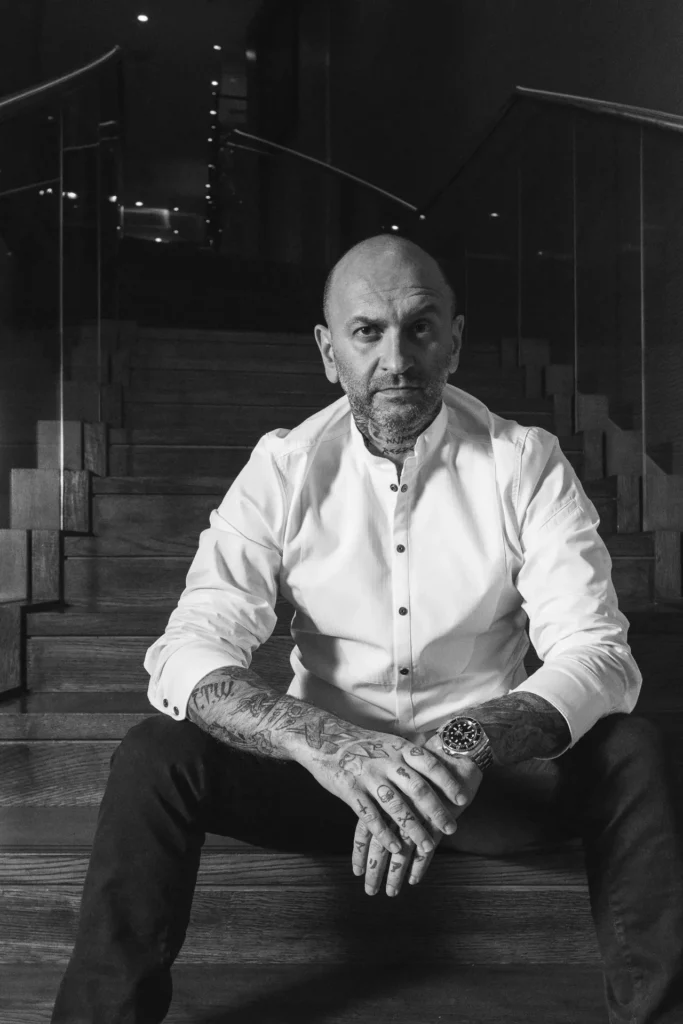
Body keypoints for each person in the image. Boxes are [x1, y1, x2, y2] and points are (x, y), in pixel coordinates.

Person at [51, 235, 683, 1023]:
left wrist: (461, 744)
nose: (396, 358)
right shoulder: (282, 467)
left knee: (632, 751)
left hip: (482, 781)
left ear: (453, 339)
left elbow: (597, 653)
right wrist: (332, 746)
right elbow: (187, 651)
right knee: (156, 753)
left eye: (419, 328)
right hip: (325, 781)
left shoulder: (526, 461)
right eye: (367, 332)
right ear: (329, 351)